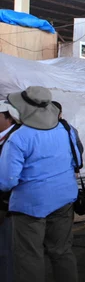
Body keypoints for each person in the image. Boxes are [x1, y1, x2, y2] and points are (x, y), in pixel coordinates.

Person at [0, 86, 80, 282]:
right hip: (64, 198)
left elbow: (7, 181)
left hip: (30, 205)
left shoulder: (19, 138)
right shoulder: (65, 128)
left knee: (29, 257)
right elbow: (77, 161)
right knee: (62, 251)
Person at [0, 101, 21, 282]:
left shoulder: (17, 136)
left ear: (7, 117)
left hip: (8, 201)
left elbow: (11, 177)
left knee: (6, 248)